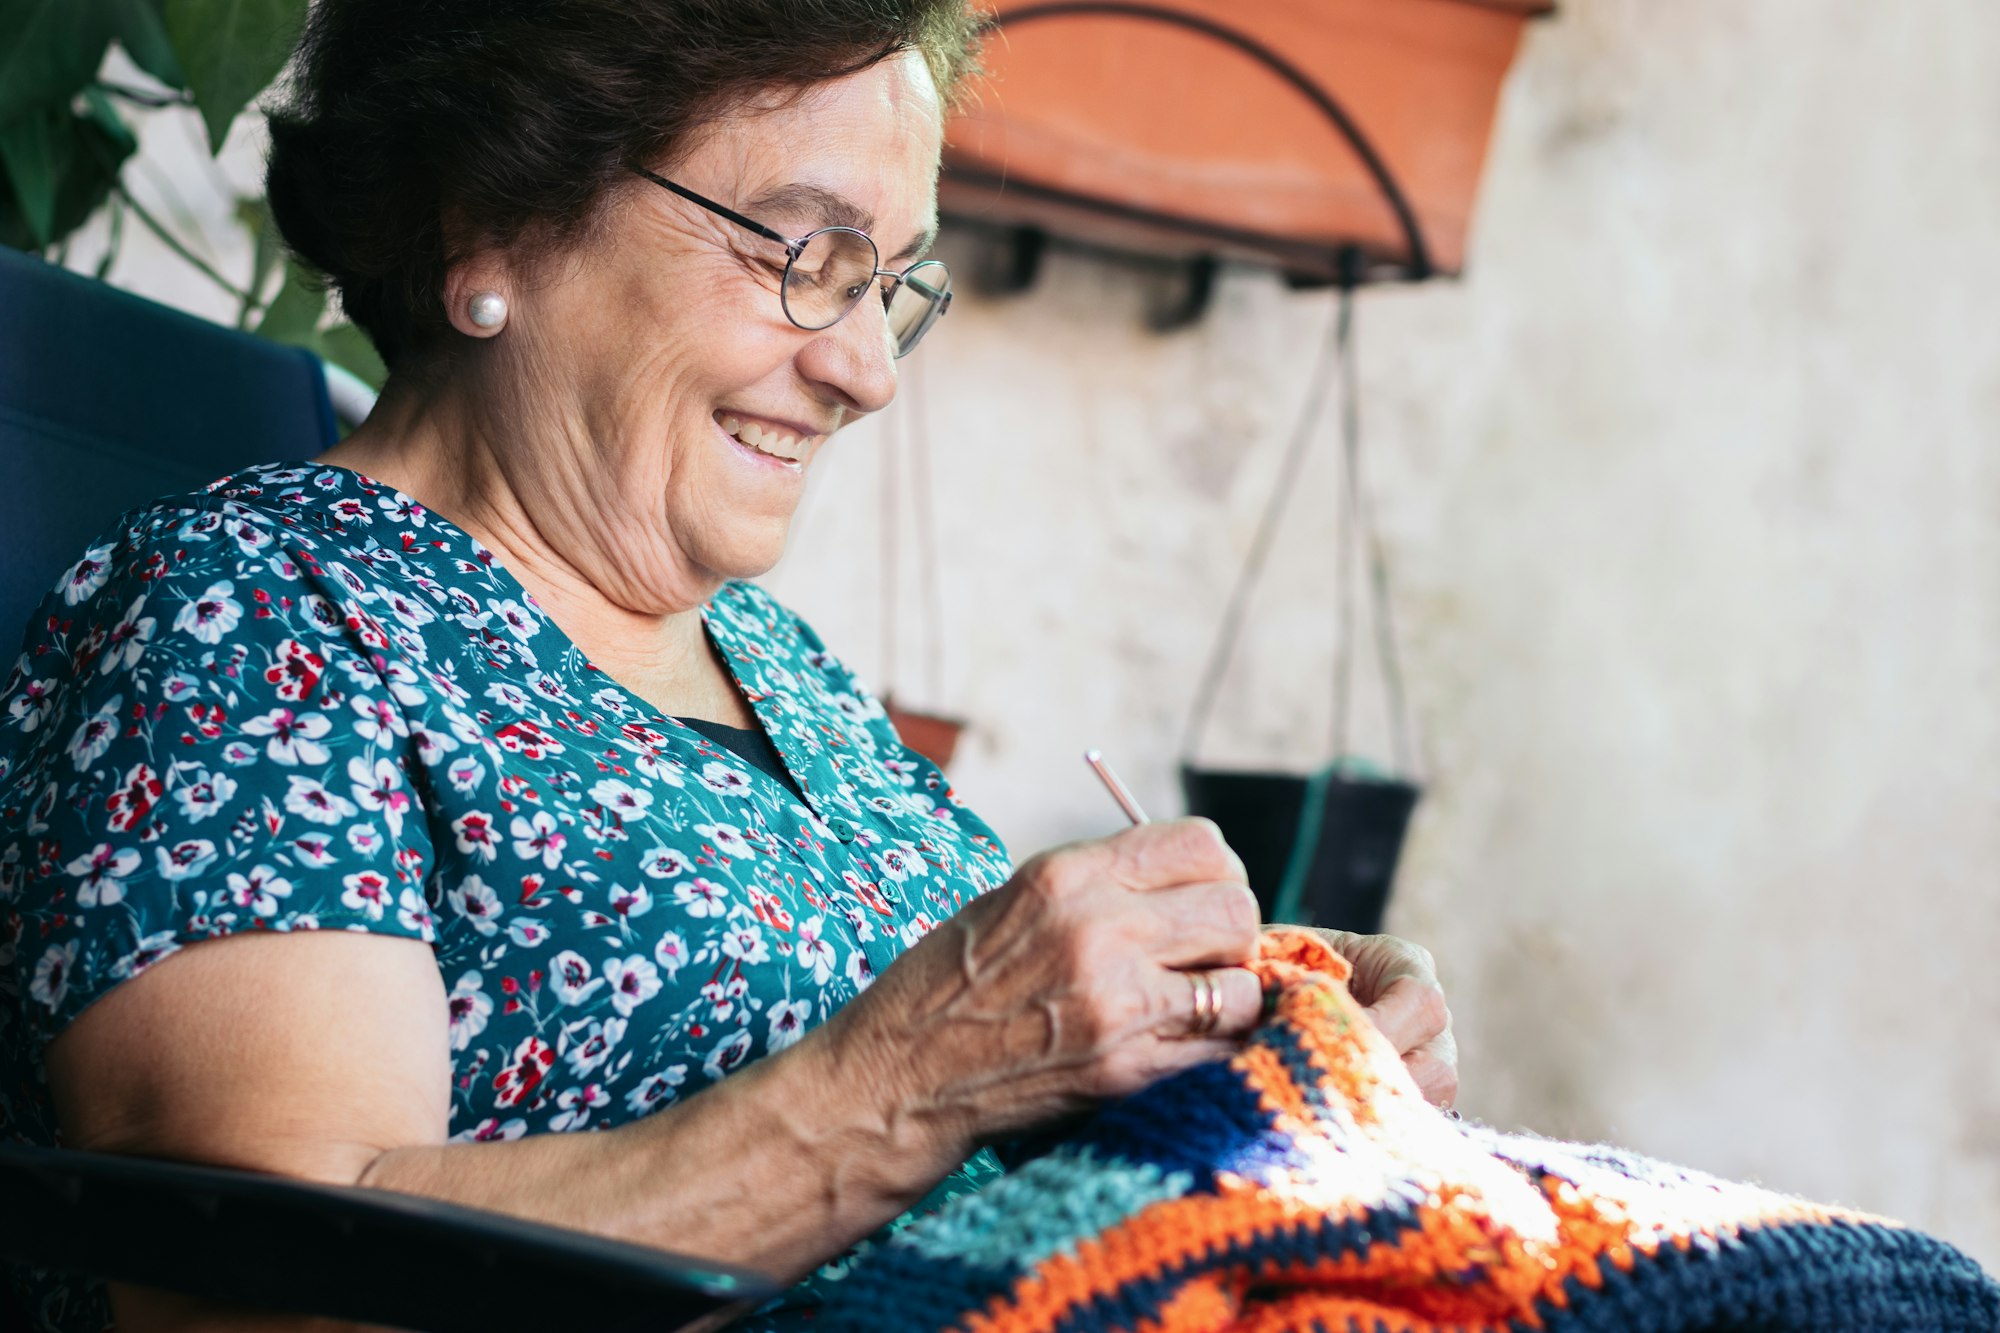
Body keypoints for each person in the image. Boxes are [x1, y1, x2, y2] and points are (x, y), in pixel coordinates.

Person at [0, 2, 1455, 1328]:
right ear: (492, 222)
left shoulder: (778, 663)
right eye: (802, 252)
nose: (868, 369)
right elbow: (261, 1291)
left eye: (891, 283)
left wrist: (1238, 1016)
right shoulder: (261, 613)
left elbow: (998, 1065)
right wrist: (912, 1076)